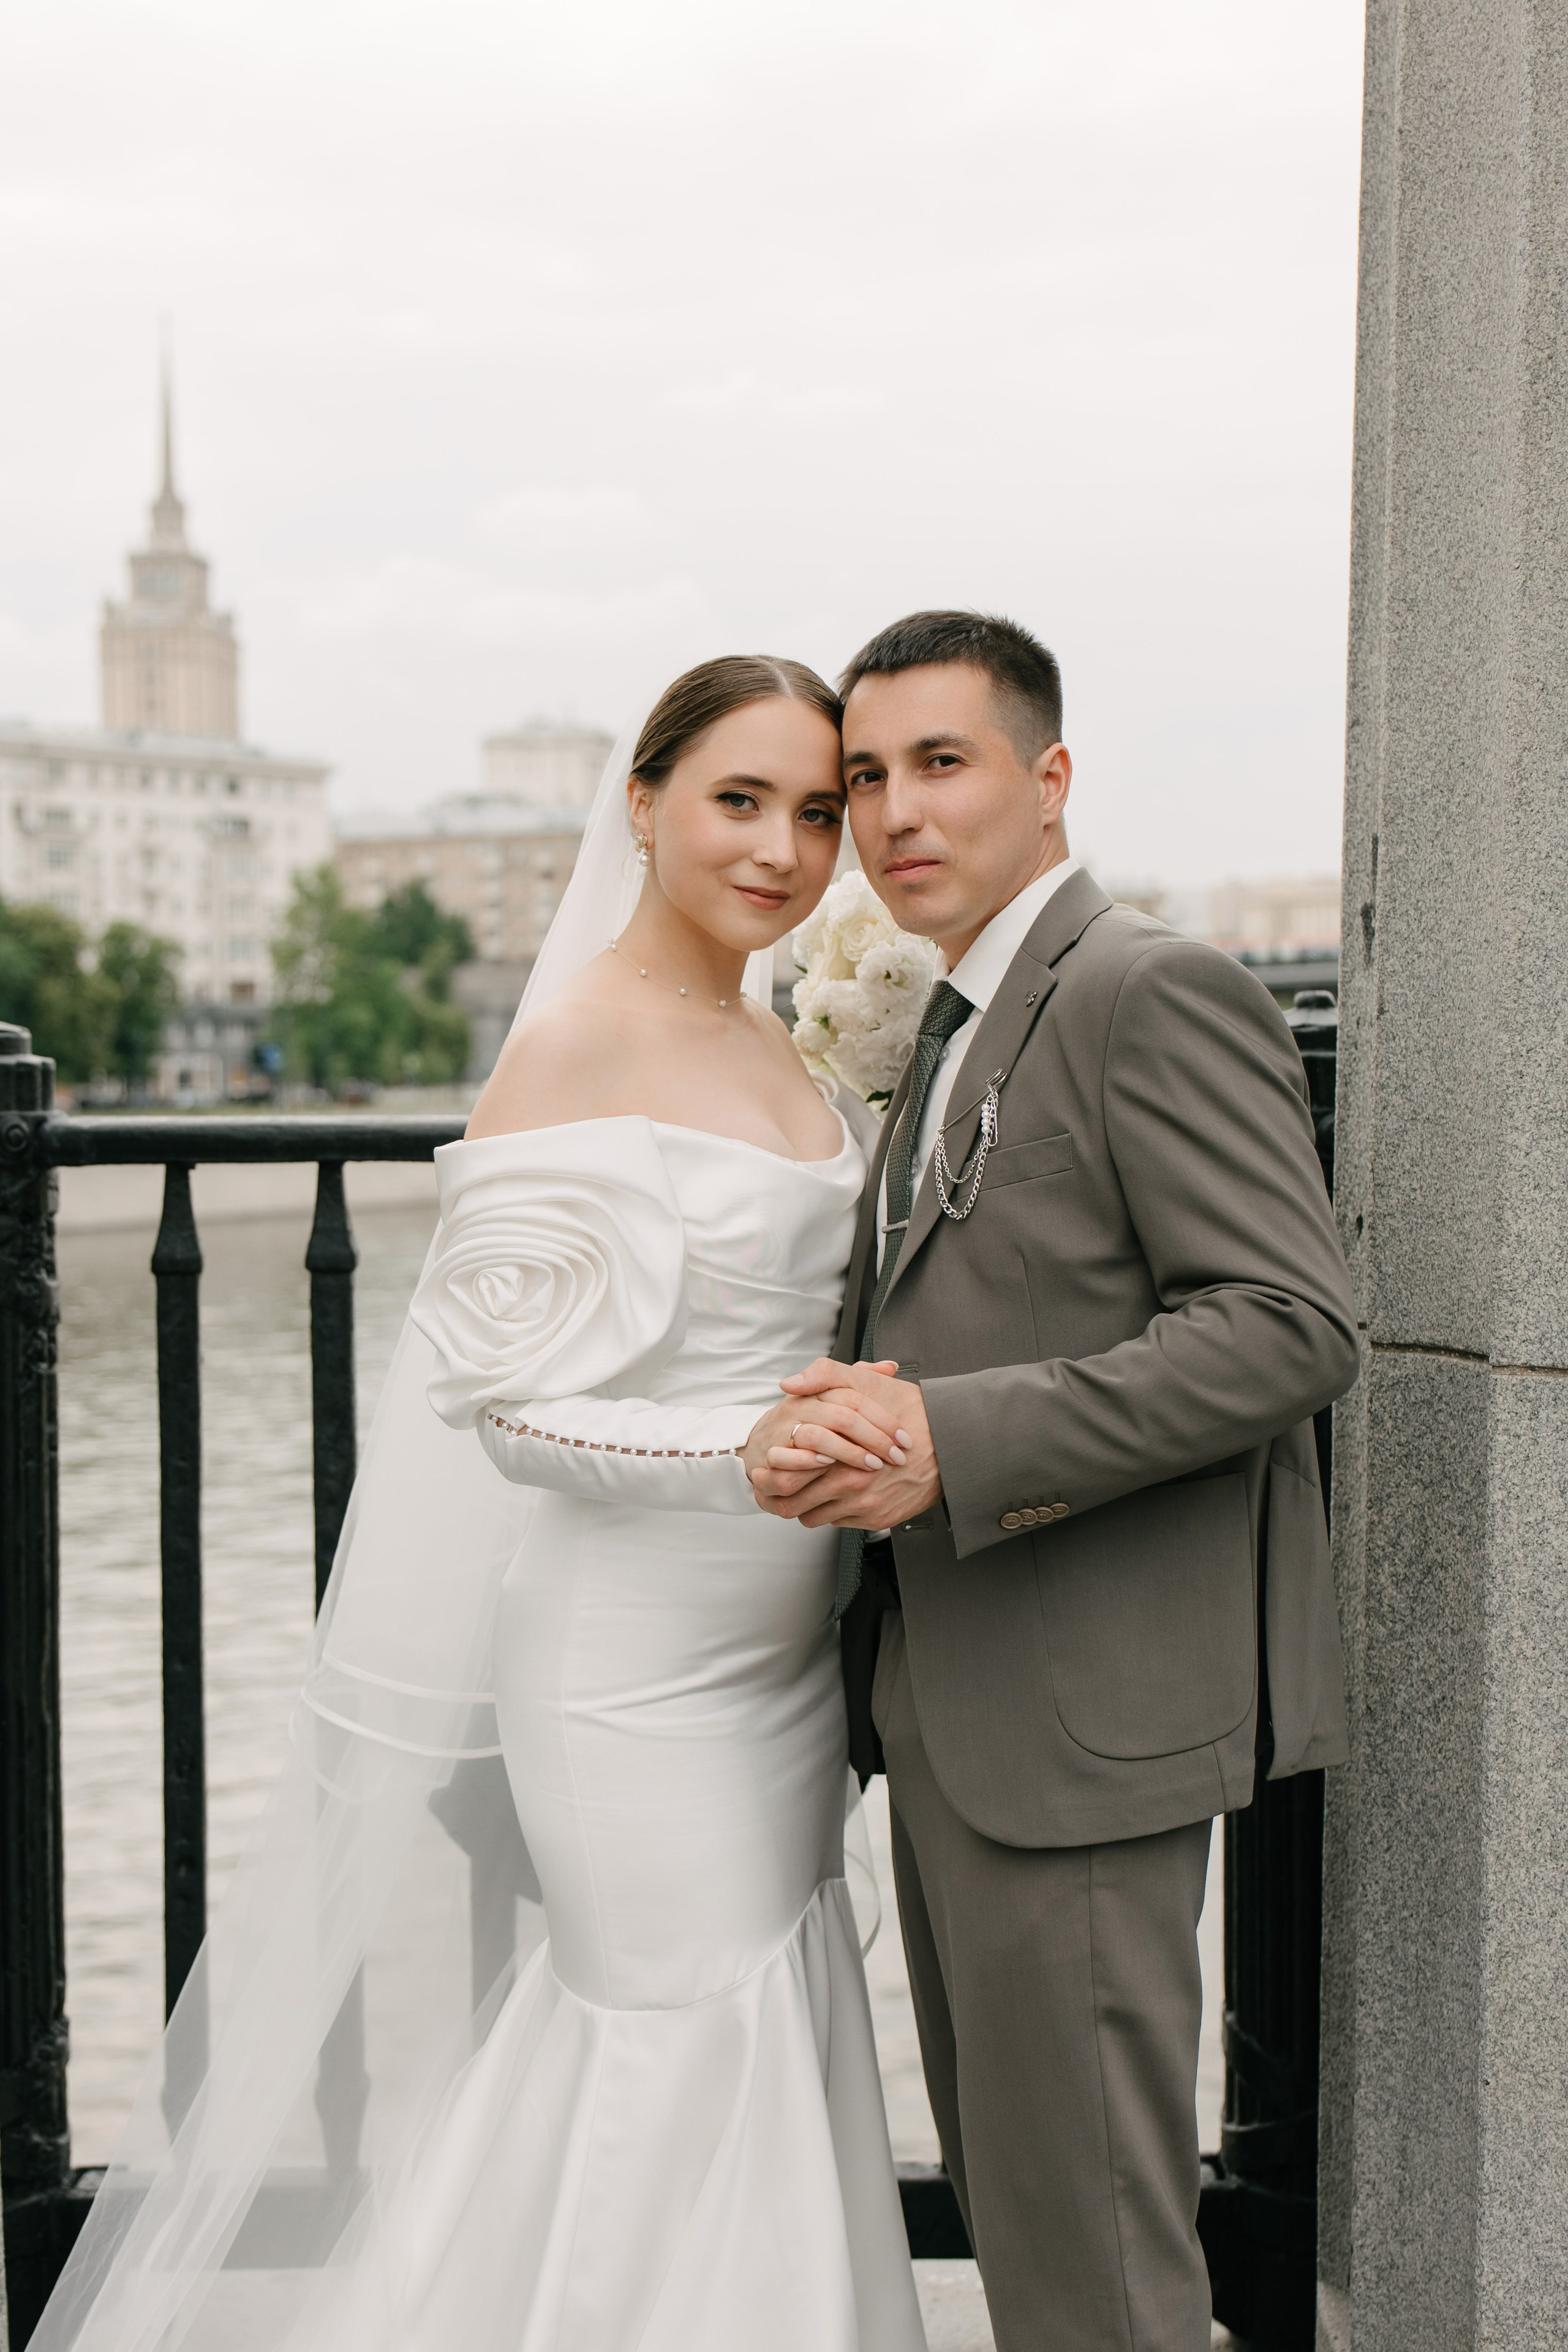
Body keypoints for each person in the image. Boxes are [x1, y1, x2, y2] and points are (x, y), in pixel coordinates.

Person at [32, 658, 926, 2352]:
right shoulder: (579, 1035)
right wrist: (740, 1456)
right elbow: (504, 1408)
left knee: (757, 2027)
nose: (787, 849)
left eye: (819, 812)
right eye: (741, 801)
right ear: (644, 802)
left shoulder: (776, 1029)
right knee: (670, 2039)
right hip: (629, 1668)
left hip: (785, 1661)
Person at [747, 611, 1361, 2352]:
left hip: (1087, 1723)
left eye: (941, 764)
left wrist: (956, 1441)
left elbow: (1288, 1325)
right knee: (1033, 2227)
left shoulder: (1148, 987)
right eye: (866, 777)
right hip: (955, 1695)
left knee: (1096, 2258)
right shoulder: (956, 1019)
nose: (892, 814)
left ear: (1051, 777)